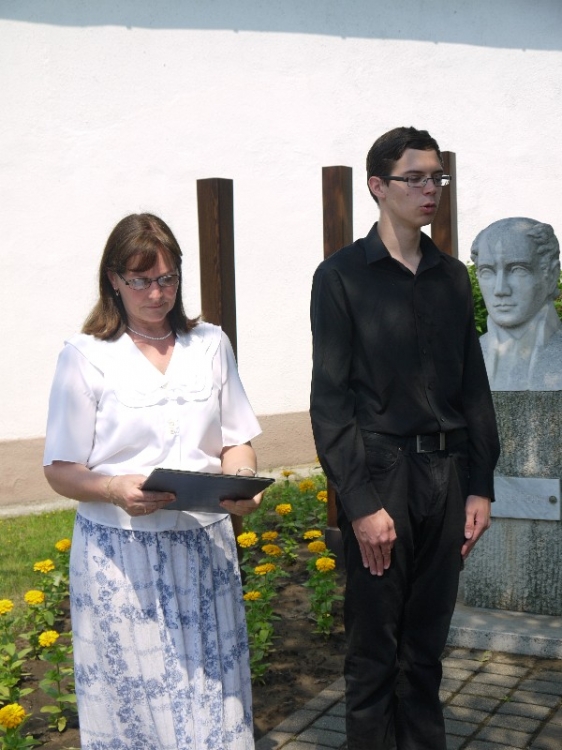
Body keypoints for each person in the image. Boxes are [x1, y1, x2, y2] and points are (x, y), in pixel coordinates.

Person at [309, 127, 500, 750]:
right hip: (382, 478)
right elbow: (330, 403)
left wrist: (479, 484)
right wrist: (361, 505)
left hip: (446, 480)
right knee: (374, 654)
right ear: (377, 187)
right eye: (414, 178)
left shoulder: (451, 277)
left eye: (436, 177)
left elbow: (473, 389)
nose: (430, 189)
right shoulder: (341, 277)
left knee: (424, 652)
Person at [43, 213, 262, 750]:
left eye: (167, 278)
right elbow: (60, 469)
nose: (157, 293)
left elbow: (236, 439)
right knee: (137, 701)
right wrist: (113, 489)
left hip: (203, 546)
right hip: (121, 556)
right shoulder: (86, 357)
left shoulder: (209, 344)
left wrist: (239, 481)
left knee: (212, 691)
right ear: (113, 279)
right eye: (141, 280)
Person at [471, 217, 562, 390]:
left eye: (518, 270)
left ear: (551, 275)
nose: (500, 289)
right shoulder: (462, 360)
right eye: (487, 271)